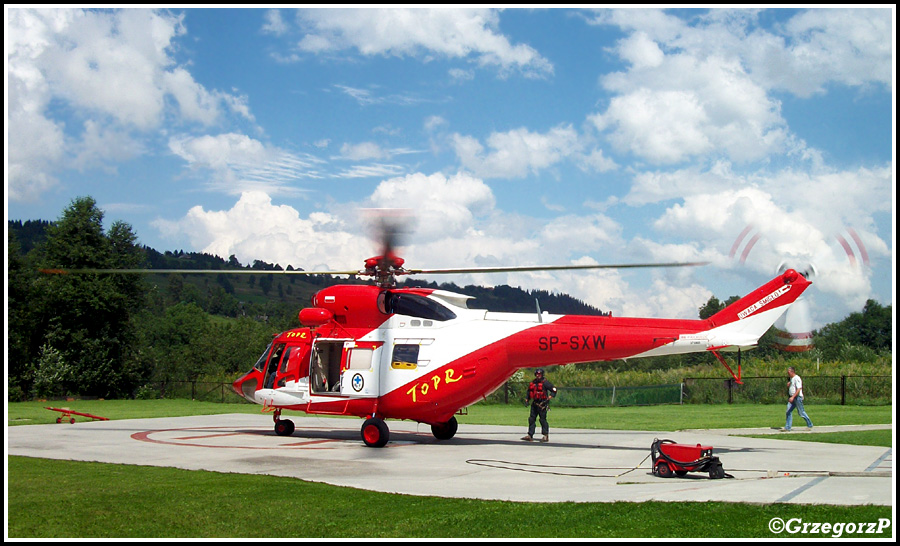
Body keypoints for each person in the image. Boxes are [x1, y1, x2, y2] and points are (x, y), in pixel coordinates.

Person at [521, 369, 557, 443]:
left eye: (539, 374)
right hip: (535, 403)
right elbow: (529, 391)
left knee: (542, 420)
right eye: (537, 374)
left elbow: (554, 390)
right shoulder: (533, 383)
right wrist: (527, 399)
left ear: (542, 374)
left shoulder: (545, 383)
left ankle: (545, 435)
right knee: (531, 419)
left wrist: (549, 398)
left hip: (542, 404)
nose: (538, 375)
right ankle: (530, 435)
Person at [782, 366, 813, 431]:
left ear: (792, 372)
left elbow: (799, 388)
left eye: (788, 372)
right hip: (792, 398)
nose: (788, 374)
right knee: (788, 411)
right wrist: (789, 385)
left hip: (797, 398)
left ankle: (809, 424)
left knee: (801, 412)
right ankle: (787, 427)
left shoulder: (797, 378)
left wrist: (793, 397)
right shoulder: (791, 379)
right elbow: (792, 387)